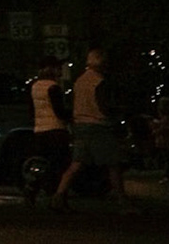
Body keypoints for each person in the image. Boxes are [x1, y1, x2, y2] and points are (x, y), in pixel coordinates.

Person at [50, 47, 133, 213]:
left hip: (80, 124)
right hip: (98, 126)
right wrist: (117, 113)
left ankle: (58, 196)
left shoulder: (80, 81)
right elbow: (103, 106)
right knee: (113, 164)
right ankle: (122, 202)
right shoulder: (99, 81)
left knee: (76, 164)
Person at [24, 57, 69, 206]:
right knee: (58, 165)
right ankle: (56, 196)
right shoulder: (53, 87)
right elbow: (59, 111)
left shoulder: (34, 86)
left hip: (39, 130)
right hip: (55, 129)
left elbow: (31, 111)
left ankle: (32, 188)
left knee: (41, 162)